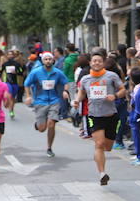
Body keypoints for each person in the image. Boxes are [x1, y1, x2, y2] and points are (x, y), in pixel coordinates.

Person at [77, 52, 126, 184]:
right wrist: (77, 100)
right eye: (94, 61)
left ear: (103, 63)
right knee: (99, 144)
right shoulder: (86, 79)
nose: (96, 63)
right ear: (90, 63)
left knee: (108, 147)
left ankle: (98, 156)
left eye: (99, 61)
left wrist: (115, 96)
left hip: (111, 115)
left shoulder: (111, 76)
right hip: (94, 115)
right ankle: (102, 174)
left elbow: (123, 90)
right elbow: (82, 92)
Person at [24, 51, 69, 157]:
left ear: (53, 60)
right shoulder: (36, 72)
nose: (48, 61)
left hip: (54, 101)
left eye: (50, 59)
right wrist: (28, 96)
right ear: (43, 61)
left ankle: (49, 147)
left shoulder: (57, 72)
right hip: (40, 101)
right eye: (46, 59)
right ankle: (38, 124)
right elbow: (27, 84)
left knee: (51, 124)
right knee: (42, 129)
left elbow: (65, 82)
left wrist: (65, 91)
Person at [2, 50, 25, 119]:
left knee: (13, 98)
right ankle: (8, 106)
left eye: (11, 55)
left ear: (13, 56)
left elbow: (21, 73)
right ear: (7, 56)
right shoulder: (5, 64)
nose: (10, 56)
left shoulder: (17, 64)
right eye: (9, 55)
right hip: (7, 82)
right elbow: (0, 71)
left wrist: (16, 73)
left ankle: (11, 110)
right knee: (9, 96)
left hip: (15, 83)